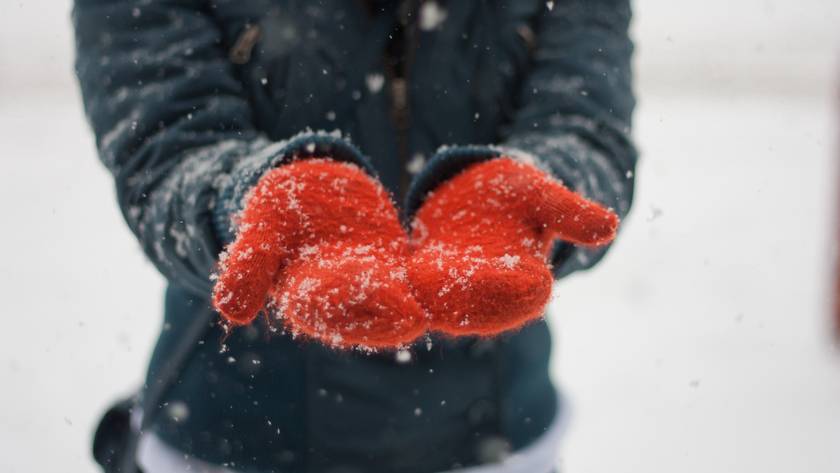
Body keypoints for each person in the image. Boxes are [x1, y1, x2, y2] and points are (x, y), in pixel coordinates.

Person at [74, 1, 637, 472]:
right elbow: (165, 148)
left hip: (495, 433)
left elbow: (585, 124)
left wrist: (542, 188)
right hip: (235, 430)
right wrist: (249, 201)